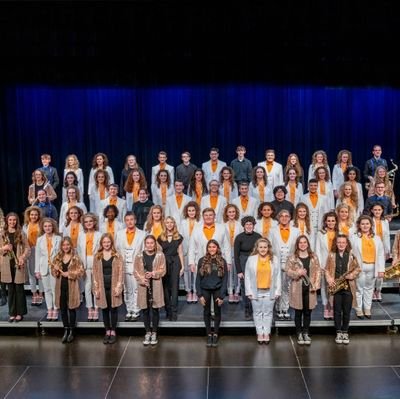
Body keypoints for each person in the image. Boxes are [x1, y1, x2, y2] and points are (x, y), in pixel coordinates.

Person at [325, 235, 361, 344]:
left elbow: (358, 269)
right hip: (336, 287)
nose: (341, 244)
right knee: (336, 311)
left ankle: (345, 331)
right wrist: (330, 279)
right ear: (336, 244)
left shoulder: (351, 255)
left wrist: (352, 276)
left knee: (346, 311)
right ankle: (338, 332)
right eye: (339, 242)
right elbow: (326, 270)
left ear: (346, 244)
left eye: (343, 242)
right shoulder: (331, 255)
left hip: (348, 287)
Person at [188, 208, 231, 298]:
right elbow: (192, 246)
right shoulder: (196, 229)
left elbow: (227, 246)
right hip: (202, 261)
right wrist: (191, 262)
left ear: (214, 216)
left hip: (218, 262)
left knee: (217, 284)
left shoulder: (222, 228)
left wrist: (228, 262)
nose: (208, 217)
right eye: (206, 215)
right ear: (203, 217)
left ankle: (216, 304)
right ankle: (205, 303)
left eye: (210, 215)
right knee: (203, 286)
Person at [245, 238, 281, 344]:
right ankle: (260, 333)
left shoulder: (274, 259)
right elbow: (247, 276)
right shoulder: (251, 259)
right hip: (256, 291)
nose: (263, 249)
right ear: (257, 248)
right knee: (257, 313)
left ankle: (266, 333)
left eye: (265, 247)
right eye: (260, 247)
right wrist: (249, 292)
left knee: (268, 313)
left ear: (268, 248)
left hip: (270, 291)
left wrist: (277, 291)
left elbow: (278, 276)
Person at [350, 215, 385, 319]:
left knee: (369, 289)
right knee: (359, 289)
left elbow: (380, 254)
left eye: (367, 224)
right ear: (359, 225)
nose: (365, 226)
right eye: (363, 224)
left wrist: (381, 269)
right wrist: (352, 268)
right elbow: (350, 253)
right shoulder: (354, 237)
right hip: (360, 267)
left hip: (373, 266)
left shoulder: (377, 238)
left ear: (371, 225)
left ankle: (367, 309)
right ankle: (359, 309)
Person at [51, 237, 85, 343]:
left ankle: (72, 331)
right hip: (61, 286)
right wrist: (55, 270)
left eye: (67, 245)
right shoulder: (57, 258)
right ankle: (65, 329)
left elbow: (81, 271)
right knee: (63, 309)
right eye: (64, 245)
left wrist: (69, 274)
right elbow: (53, 273)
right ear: (61, 246)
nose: (66, 247)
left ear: (71, 245)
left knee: (71, 309)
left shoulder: (75, 258)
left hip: (72, 286)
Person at [134, 235, 166, 346]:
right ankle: (147, 332)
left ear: (155, 244)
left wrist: (153, 274)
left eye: (152, 243)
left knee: (155, 309)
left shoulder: (160, 255)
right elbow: (136, 271)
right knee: (145, 309)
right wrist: (142, 279)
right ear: (145, 244)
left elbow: (163, 270)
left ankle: (154, 333)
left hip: (156, 285)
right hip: (144, 286)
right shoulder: (139, 256)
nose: (150, 245)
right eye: (147, 243)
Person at [92, 233, 124, 344]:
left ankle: (113, 331)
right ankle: (107, 331)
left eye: (108, 242)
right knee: (104, 309)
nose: (106, 244)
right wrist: (96, 288)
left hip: (113, 285)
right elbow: (95, 273)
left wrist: (119, 286)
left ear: (111, 243)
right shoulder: (97, 256)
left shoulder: (117, 255)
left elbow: (121, 272)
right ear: (101, 243)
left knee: (113, 309)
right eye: (104, 242)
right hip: (102, 285)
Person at [269, 209, 300, 319]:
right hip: (277, 262)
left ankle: (285, 308)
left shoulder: (296, 231)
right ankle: (278, 308)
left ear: (290, 218)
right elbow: (269, 247)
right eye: (281, 216)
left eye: (286, 216)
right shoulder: (272, 231)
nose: (284, 218)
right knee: (278, 286)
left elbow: (298, 247)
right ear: (278, 217)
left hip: (290, 264)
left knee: (287, 287)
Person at [196, 239, 228, 347]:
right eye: (209, 247)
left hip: (217, 289)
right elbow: (198, 279)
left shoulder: (222, 261)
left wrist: (222, 296)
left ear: (217, 248)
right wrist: (199, 295)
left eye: (214, 247)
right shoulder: (202, 260)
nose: (212, 249)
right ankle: (209, 334)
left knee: (217, 312)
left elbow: (225, 279)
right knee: (207, 312)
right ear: (207, 248)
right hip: (205, 289)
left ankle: (216, 334)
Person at [115, 212, 145, 321]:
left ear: (135, 220)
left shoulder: (142, 234)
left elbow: (143, 251)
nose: (129, 222)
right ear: (125, 221)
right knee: (127, 289)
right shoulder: (119, 234)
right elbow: (117, 250)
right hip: (124, 265)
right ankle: (129, 310)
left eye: (131, 219)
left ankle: (136, 310)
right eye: (127, 220)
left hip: (136, 266)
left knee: (136, 288)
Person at [0, 212, 30, 322]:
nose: (12, 222)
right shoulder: (3, 234)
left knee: (19, 289)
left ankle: (20, 313)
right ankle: (12, 313)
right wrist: (4, 248)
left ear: (17, 221)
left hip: (18, 265)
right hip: (7, 265)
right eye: (10, 220)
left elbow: (27, 248)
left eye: (14, 220)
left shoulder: (21, 233)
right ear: (7, 221)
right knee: (11, 290)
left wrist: (22, 257)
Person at [234, 216, 262, 319]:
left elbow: (262, 251)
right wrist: (239, 271)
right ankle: (247, 308)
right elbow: (236, 255)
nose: (249, 226)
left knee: (256, 286)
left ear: (254, 225)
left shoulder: (258, 236)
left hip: (256, 262)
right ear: (244, 226)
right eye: (247, 224)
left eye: (251, 224)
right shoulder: (239, 237)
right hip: (243, 263)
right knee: (245, 287)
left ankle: (256, 308)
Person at [35, 218, 61, 320]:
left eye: (49, 226)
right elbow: (38, 255)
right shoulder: (40, 239)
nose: (47, 228)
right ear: (43, 228)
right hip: (44, 267)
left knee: (55, 289)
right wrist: (37, 270)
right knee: (47, 290)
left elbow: (61, 254)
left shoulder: (58, 238)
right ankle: (49, 309)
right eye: (45, 226)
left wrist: (59, 266)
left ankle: (55, 309)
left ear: (53, 227)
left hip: (55, 267)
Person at [158, 216, 184, 321]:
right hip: (164, 263)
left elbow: (180, 253)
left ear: (174, 224)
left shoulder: (178, 237)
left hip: (175, 262)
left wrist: (182, 267)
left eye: (171, 222)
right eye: (167, 222)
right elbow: (159, 253)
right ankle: (167, 310)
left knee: (174, 288)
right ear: (164, 224)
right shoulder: (160, 238)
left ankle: (174, 312)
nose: (169, 224)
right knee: (165, 288)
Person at [77, 213, 102, 321]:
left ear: (94, 222)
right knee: (87, 286)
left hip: (96, 261)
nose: (88, 223)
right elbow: (78, 250)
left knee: (96, 286)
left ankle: (96, 308)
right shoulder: (81, 235)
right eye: (86, 222)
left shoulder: (99, 234)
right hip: (85, 262)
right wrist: (80, 264)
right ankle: (89, 308)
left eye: (90, 221)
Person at [315, 211, 338, 320]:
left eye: (333, 220)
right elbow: (318, 249)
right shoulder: (320, 233)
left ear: (336, 221)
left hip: (336, 262)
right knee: (324, 286)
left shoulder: (340, 232)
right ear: (325, 222)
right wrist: (319, 265)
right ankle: (326, 306)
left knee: (334, 285)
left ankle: (333, 306)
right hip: (324, 262)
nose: (330, 222)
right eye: (328, 221)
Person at [180, 201, 201, 303]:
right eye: (189, 210)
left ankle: (196, 291)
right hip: (186, 250)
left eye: (193, 210)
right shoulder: (183, 223)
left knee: (196, 271)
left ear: (196, 211)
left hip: (197, 251)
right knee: (187, 272)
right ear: (186, 212)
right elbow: (180, 237)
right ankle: (189, 291)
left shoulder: (200, 222)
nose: (191, 212)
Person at [23, 206, 44, 306]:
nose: (34, 216)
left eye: (35, 214)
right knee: (31, 274)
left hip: (40, 251)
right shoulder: (25, 226)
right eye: (32, 214)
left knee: (40, 274)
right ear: (29, 215)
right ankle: (34, 294)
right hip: (30, 251)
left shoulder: (42, 224)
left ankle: (41, 294)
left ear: (38, 215)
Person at [369, 203, 390, 302]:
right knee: (373, 272)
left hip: (382, 250)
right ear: (372, 211)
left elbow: (387, 236)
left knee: (381, 273)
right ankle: (372, 291)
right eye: (375, 210)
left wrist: (388, 250)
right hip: (371, 249)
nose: (377, 211)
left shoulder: (385, 221)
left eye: (379, 210)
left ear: (382, 211)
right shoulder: (369, 221)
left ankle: (378, 291)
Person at [223, 204, 243, 303]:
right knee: (229, 271)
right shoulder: (223, 225)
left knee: (238, 271)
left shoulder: (240, 225)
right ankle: (230, 291)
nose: (231, 214)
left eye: (233, 212)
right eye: (229, 212)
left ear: (236, 213)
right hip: (226, 250)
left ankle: (237, 291)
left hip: (237, 250)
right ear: (226, 213)